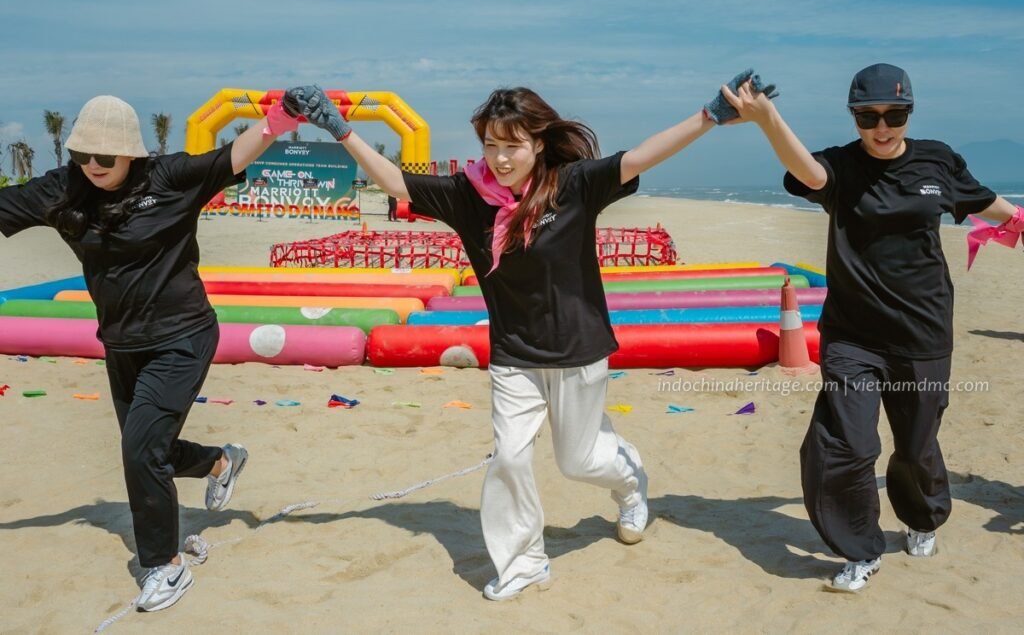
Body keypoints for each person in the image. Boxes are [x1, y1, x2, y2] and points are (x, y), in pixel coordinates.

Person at [284, 76, 768, 599]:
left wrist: (709, 115)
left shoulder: (574, 184)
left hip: (578, 350)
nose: (500, 158)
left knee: (579, 462)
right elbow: (398, 184)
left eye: (512, 145)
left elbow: (640, 157)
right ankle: (524, 563)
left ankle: (631, 482)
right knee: (510, 458)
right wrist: (339, 128)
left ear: (538, 143)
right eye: (490, 145)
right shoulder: (468, 196)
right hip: (513, 356)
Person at [723, 63, 1023, 592]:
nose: (882, 127)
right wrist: (768, 119)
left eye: (894, 115)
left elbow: (987, 204)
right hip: (852, 336)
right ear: (853, 116)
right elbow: (807, 174)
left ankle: (922, 517)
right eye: (868, 117)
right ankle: (860, 549)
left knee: (917, 444)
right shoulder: (839, 167)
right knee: (847, 445)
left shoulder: (937, 159)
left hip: (924, 333)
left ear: (910, 112)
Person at [0, 93, 305, 611]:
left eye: (104, 156)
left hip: (182, 337)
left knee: (141, 451)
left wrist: (283, 117)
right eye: (82, 154)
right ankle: (220, 462)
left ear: (129, 152)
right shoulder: (64, 188)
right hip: (121, 344)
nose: (92, 165)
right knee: (147, 449)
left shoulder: (168, 178)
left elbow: (232, 155)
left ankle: (166, 565)